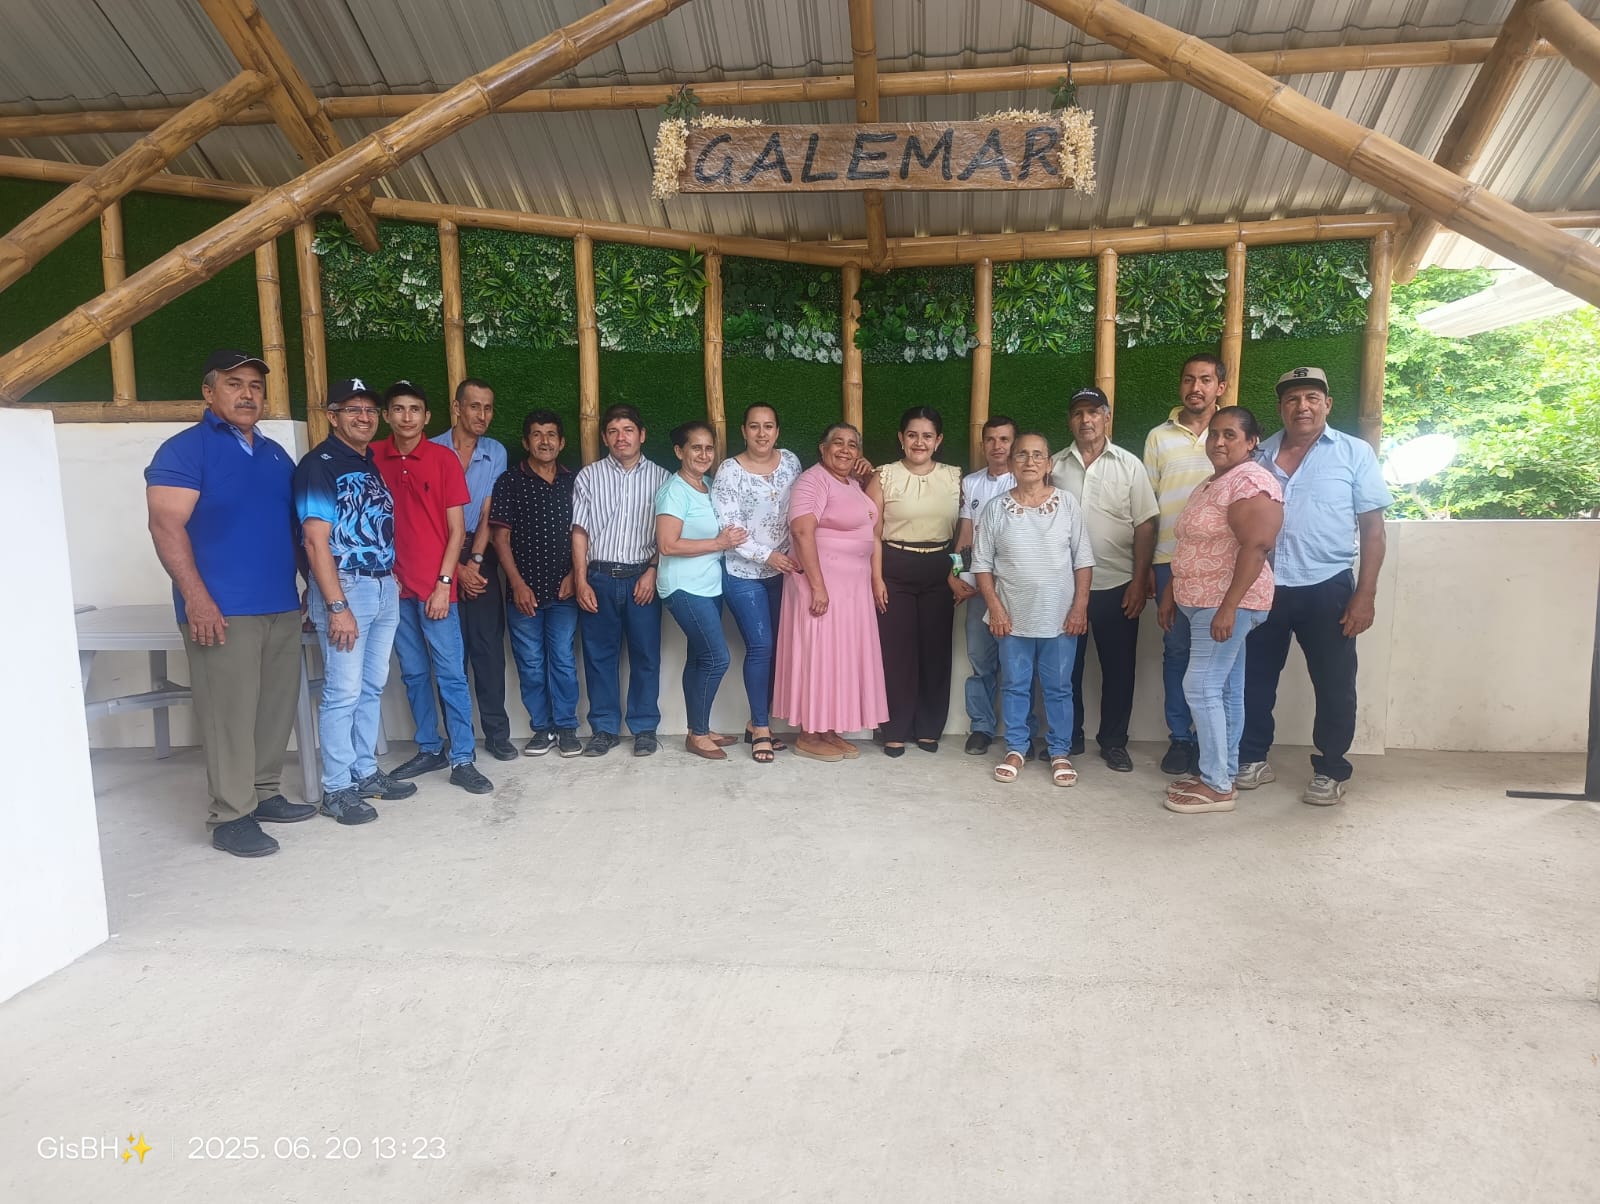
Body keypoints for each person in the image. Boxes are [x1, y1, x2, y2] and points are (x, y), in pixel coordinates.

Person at [144, 348, 313, 857]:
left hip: (280, 603)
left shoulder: (275, 455)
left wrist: (309, 587)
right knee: (228, 716)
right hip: (221, 608)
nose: (247, 394)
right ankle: (230, 816)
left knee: (273, 709)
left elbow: (295, 528)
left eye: (256, 386)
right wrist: (196, 599)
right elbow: (165, 526)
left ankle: (263, 792)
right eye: (235, 384)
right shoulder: (184, 450)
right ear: (209, 391)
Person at [1238, 367, 1394, 805]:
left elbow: (1374, 531)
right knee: (1253, 679)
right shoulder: (1259, 456)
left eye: (1311, 397)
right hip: (1265, 586)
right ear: (1280, 408)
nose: (1302, 407)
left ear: (1327, 404)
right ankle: (1252, 757)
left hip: (1328, 587)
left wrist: (1365, 595)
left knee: (1334, 683)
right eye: (1292, 399)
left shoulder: (1354, 453)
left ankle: (1331, 768)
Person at [294, 377, 416, 826]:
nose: (363, 417)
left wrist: (389, 579)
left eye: (368, 410)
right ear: (333, 416)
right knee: (342, 693)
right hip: (347, 588)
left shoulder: (367, 462)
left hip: (381, 586)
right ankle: (337, 788)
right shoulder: (319, 465)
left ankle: (364, 772)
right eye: (352, 409)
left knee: (370, 687)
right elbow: (315, 541)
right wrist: (336, 605)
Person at [1157, 407, 1283, 814]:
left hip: (1225, 604)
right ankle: (1223, 773)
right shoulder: (1213, 482)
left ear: (1251, 442)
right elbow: (1192, 544)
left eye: (1230, 435)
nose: (1219, 442)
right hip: (1203, 602)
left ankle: (1216, 785)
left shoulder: (1250, 482)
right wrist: (1172, 591)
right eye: (1214, 434)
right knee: (1226, 689)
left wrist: (1228, 608)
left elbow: (1257, 545)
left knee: (1200, 687)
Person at [371, 382, 493, 796]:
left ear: (427, 417)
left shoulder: (443, 460)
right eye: (398, 409)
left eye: (415, 410)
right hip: (393, 587)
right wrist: (386, 574)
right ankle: (429, 748)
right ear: (387, 416)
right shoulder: (373, 457)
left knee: (451, 674)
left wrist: (444, 584)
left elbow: (457, 530)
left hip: (436, 588)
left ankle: (462, 758)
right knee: (414, 672)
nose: (407, 417)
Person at [972, 432, 1095, 787]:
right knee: (1014, 685)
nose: (1030, 461)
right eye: (1022, 455)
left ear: (1049, 463)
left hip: (1060, 617)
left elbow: (1083, 559)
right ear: (1012, 463)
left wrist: (1080, 607)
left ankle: (1059, 751)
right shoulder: (996, 508)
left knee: (1059, 687)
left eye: (1038, 455)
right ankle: (1016, 748)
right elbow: (982, 564)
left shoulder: (1067, 504)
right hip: (1011, 617)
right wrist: (995, 608)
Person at [1051, 386, 1159, 772]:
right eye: (1078, 413)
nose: (1086, 420)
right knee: (1065, 671)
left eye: (1094, 412)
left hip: (1118, 584)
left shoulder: (1130, 465)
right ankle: (1068, 738)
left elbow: (1145, 525)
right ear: (1070, 420)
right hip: (1065, 588)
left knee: (1119, 670)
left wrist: (1139, 579)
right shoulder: (1053, 466)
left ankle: (1114, 742)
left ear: (1107, 417)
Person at [772, 423, 889, 761]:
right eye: (838, 443)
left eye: (852, 445)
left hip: (851, 590)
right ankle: (808, 735)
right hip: (820, 586)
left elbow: (872, 528)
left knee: (837, 659)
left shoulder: (852, 484)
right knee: (817, 657)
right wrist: (818, 586)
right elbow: (801, 532)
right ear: (822, 449)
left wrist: (868, 478)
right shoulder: (813, 481)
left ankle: (827, 729)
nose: (845, 450)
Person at [1143, 353, 1228, 776]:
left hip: (1222, 565)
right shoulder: (1158, 437)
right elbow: (1148, 507)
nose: (1197, 387)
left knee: (1219, 655)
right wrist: (1147, 568)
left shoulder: (1230, 433)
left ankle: (1215, 744)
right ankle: (1181, 738)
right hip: (1169, 563)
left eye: (1206, 380)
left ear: (1220, 387)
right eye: (1189, 379)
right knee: (1176, 652)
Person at [572, 404, 670, 757]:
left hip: (642, 579)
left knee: (646, 656)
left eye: (628, 430)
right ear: (604, 437)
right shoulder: (588, 476)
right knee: (599, 657)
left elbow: (668, 534)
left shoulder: (662, 478)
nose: (621, 437)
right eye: (613, 431)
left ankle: (644, 728)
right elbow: (579, 532)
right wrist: (581, 580)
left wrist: (653, 571)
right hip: (598, 578)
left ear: (641, 435)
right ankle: (604, 729)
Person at [866, 406, 963, 756]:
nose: (919, 442)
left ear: (938, 440)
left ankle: (928, 728)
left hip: (940, 568)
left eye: (927, 436)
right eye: (912, 435)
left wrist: (956, 573)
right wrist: (876, 578)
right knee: (897, 653)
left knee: (936, 651)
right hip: (895, 568)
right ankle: (894, 729)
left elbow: (964, 533)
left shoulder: (955, 477)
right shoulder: (883, 476)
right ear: (901, 438)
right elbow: (872, 533)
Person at [710, 403, 803, 764]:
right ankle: (763, 728)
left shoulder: (791, 462)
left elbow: (803, 510)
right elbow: (730, 531)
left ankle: (754, 723)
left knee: (779, 648)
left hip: (785, 573)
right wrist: (768, 556)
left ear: (777, 430)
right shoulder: (729, 472)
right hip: (743, 573)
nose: (761, 433)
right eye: (754, 426)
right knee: (761, 646)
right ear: (743, 431)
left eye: (768, 426)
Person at [490, 409, 582, 758]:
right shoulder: (509, 481)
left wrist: (574, 575)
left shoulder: (574, 481)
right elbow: (500, 539)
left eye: (551, 434)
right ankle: (542, 729)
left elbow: (583, 534)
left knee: (563, 661)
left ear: (562, 442)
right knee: (530, 664)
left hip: (564, 591)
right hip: (523, 593)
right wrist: (516, 584)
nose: (545, 441)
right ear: (526, 442)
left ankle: (567, 728)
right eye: (537, 434)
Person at [433, 377, 515, 761]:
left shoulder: (495, 452)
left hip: (480, 554)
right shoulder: (431, 449)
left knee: (488, 650)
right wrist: (455, 568)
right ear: (457, 408)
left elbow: (488, 510)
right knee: (450, 655)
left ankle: (497, 735)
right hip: (437, 555)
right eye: (474, 406)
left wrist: (475, 563)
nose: (482, 415)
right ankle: (458, 738)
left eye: (488, 408)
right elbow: (429, 518)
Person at [655, 422, 748, 760]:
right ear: (679, 451)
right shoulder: (674, 491)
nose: (704, 454)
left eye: (709, 448)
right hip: (683, 586)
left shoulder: (708, 485)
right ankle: (697, 734)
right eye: (696, 447)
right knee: (716, 658)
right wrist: (719, 543)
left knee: (699, 658)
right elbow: (667, 544)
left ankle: (700, 728)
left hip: (708, 585)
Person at [955, 415, 1037, 757]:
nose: (997, 446)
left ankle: (1024, 732)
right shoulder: (971, 483)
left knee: (1019, 665)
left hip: (1017, 588)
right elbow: (965, 535)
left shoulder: (1028, 481)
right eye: (990, 439)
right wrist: (958, 573)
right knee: (981, 661)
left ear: (1014, 445)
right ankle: (981, 728)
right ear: (983, 444)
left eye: (1004, 439)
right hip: (979, 588)